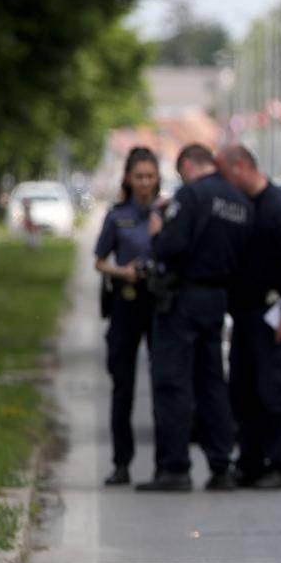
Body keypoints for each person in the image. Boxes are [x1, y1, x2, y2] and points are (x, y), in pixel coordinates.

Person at [135, 144, 252, 493]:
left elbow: (170, 246)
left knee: (173, 383)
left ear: (186, 165)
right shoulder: (238, 201)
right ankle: (221, 466)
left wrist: (157, 231)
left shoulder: (191, 195)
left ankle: (174, 468)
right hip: (217, 299)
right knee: (212, 384)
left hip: (182, 298)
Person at [219, 144, 281, 489]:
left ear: (241, 166)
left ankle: (279, 464)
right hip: (246, 318)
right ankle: (250, 462)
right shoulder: (242, 208)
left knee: (272, 393)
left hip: (274, 319)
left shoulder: (279, 208)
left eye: (224, 172)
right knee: (243, 393)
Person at [93, 146, 162, 486]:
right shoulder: (118, 215)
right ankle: (122, 462)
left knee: (164, 383)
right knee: (123, 386)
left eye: (150, 176)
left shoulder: (167, 212)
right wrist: (122, 272)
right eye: (139, 176)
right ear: (128, 179)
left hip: (160, 303)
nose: (145, 183)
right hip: (126, 301)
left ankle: (167, 463)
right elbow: (99, 260)